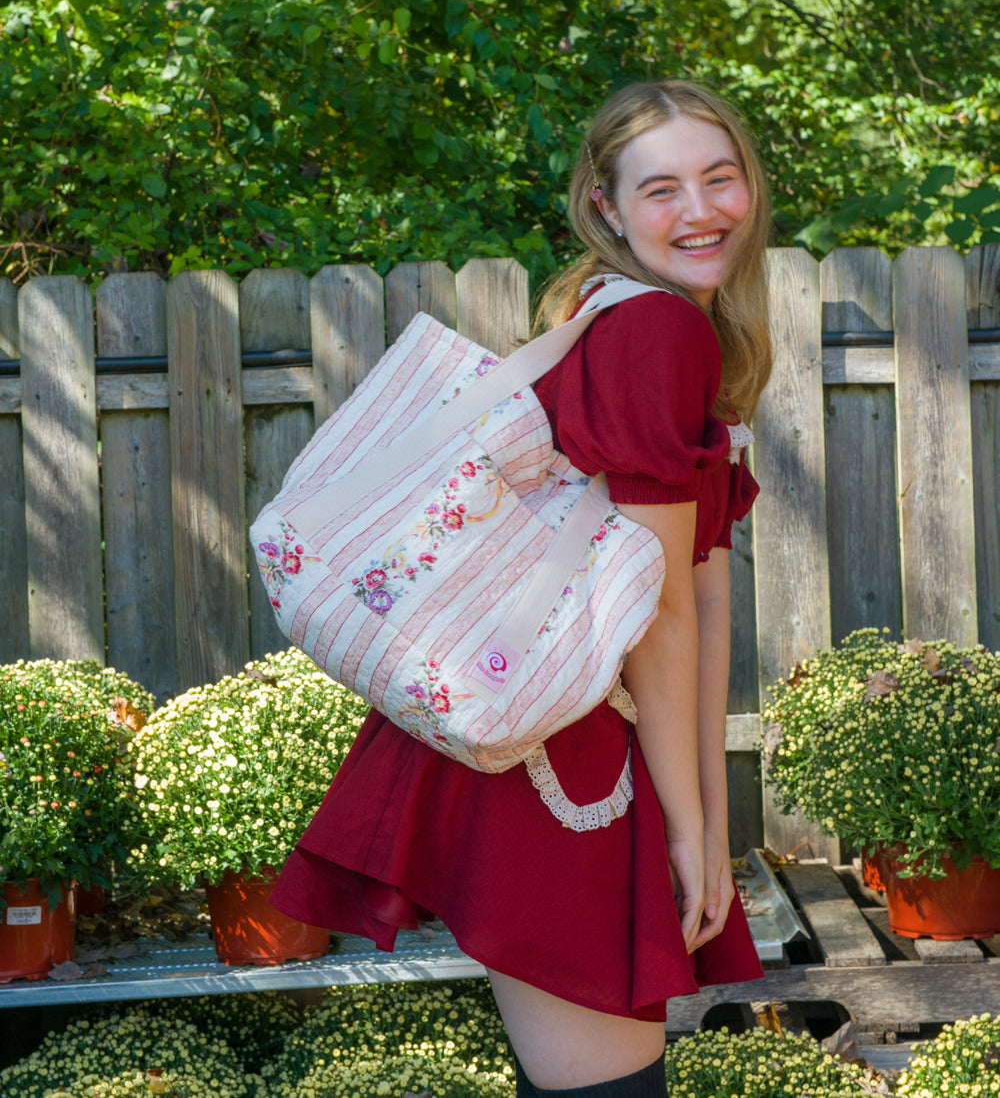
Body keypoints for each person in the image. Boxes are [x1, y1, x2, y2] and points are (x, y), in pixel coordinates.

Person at [270, 79, 773, 1096]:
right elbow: (661, 612)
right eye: (662, 189)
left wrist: (709, 823)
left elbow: (704, 597)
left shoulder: (625, 316)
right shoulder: (658, 331)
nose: (700, 210)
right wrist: (691, 830)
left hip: (551, 736)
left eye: (719, 179)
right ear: (606, 206)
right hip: (570, 765)